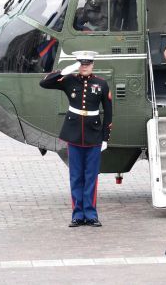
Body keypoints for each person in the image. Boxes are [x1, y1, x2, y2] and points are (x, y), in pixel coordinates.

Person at [39, 51, 113, 227]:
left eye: (87, 64)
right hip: (74, 135)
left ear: (93, 65)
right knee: (76, 177)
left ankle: (91, 214)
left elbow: (109, 113)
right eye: (81, 63)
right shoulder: (69, 80)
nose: (85, 66)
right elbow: (44, 83)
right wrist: (65, 71)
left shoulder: (101, 84)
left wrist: (105, 138)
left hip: (94, 136)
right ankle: (77, 215)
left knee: (91, 177)